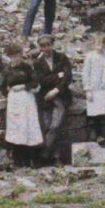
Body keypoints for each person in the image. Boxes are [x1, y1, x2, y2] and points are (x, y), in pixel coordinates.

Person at [33, 34, 75, 165]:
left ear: (52, 45)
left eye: (48, 45)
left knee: (56, 125)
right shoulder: (37, 63)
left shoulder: (62, 58)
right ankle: (55, 158)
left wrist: (56, 90)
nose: (46, 48)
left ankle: (43, 156)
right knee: (46, 126)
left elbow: (67, 77)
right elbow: (41, 81)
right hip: (45, 98)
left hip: (60, 96)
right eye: (43, 46)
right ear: (39, 48)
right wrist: (57, 75)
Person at [2, 46, 44, 166]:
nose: (17, 59)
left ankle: (31, 159)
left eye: (18, 56)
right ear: (9, 57)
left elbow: (35, 82)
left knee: (29, 127)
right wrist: (9, 94)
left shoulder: (27, 67)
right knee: (16, 129)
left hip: (27, 98)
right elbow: (3, 86)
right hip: (14, 100)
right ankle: (18, 161)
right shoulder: (7, 70)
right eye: (14, 56)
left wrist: (24, 87)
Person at [81, 32, 105, 143]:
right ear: (93, 44)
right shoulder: (90, 57)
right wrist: (87, 89)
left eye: (102, 44)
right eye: (97, 44)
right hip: (95, 89)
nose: (99, 46)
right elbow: (85, 74)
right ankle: (98, 135)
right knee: (96, 113)